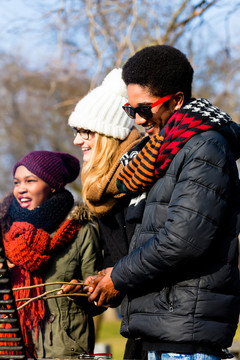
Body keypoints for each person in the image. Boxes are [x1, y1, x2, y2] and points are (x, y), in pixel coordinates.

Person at [84, 45, 240, 360]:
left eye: (145, 109)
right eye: (131, 110)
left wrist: (118, 276)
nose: (138, 120)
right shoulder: (162, 151)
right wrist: (110, 273)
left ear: (178, 100)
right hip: (159, 332)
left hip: (184, 341)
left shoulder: (205, 149)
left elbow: (182, 241)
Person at [67, 68, 146, 359]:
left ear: (109, 134)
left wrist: (116, 278)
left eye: (85, 131)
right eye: (77, 132)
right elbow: (117, 263)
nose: (77, 141)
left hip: (171, 331)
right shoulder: (104, 195)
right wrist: (92, 287)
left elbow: (164, 250)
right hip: (138, 329)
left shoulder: (145, 181)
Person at [0, 150, 103, 359]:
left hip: (63, 350)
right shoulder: (4, 233)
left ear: (53, 184)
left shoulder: (82, 232)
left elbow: (101, 296)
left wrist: (81, 290)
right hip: (13, 348)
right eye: (17, 182)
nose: (21, 189)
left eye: (30, 181)